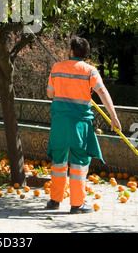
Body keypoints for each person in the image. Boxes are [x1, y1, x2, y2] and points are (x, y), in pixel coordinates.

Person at [46, 36, 122, 214]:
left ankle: (54, 200)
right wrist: (114, 116)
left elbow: (50, 94)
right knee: (79, 162)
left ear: (71, 51)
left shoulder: (57, 67)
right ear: (85, 54)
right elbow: (102, 91)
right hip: (80, 125)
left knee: (58, 161)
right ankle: (76, 204)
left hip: (60, 124)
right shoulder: (90, 70)